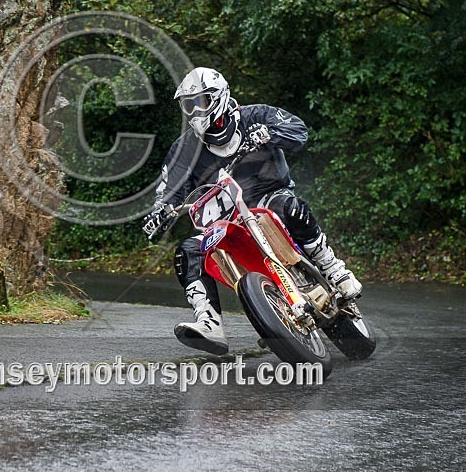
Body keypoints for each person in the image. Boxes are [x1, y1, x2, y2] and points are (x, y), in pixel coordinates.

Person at [142, 67, 362, 356]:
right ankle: (209, 323)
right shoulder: (184, 148)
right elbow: (169, 191)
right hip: (224, 222)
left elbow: (299, 131)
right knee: (188, 250)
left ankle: (333, 269)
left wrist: (272, 133)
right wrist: (161, 211)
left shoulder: (255, 115)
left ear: (219, 96)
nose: (196, 110)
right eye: (189, 104)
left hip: (269, 198)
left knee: (289, 207)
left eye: (202, 101)